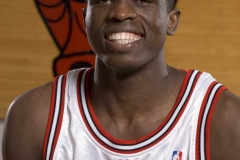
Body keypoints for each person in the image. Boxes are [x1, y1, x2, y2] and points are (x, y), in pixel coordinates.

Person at [2, 0, 240, 159]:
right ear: (85, 18)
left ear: (171, 20)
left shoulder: (225, 120)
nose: (120, 12)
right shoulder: (33, 118)